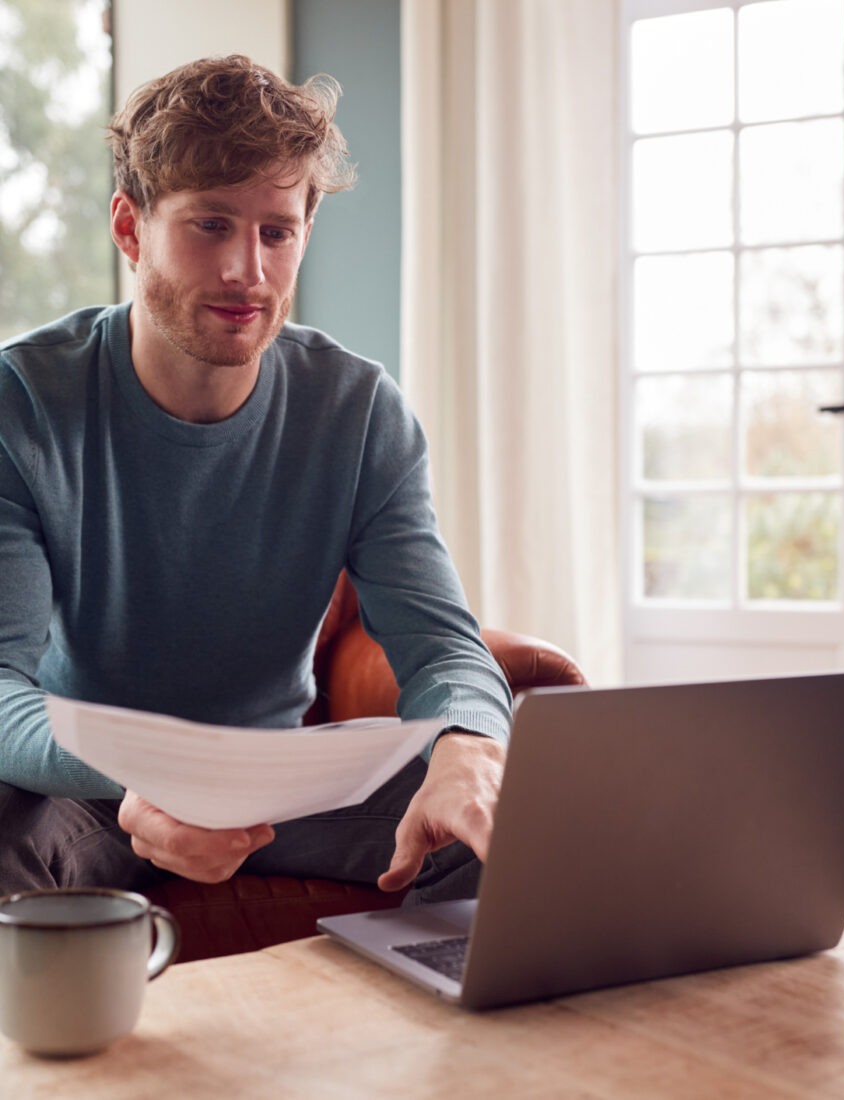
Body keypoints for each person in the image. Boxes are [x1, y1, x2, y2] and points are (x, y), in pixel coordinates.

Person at [0, 55, 512, 904]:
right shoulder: (23, 400)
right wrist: (148, 772)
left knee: (498, 826)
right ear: (130, 230)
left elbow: (443, 644)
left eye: (277, 231)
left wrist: (467, 745)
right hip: (88, 789)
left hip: (286, 791)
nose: (249, 270)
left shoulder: (358, 410)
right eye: (210, 226)